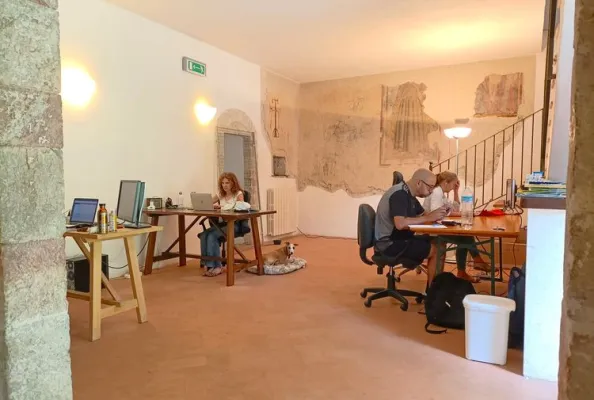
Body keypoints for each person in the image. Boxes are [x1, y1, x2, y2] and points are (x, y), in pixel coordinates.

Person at [375, 168, 447, 288]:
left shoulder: (410, 196)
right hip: (388, 243)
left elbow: (425, 215)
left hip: (399, 238)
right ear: (418, 183)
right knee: (436, 250)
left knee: (439, 242)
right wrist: (428, 217)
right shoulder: (399, 194)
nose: (431, 192)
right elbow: (400, 224)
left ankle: (435, 288)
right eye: (430, 187)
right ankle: (432, 292)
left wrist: (440, 213)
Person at [423, 171, 490, 282]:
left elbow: (455, 208)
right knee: (465, 236)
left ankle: (470, 266)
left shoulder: (441, 194)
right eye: (453, 184)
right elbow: (437, 214)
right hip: (432, 230)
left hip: (438, 227)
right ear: (446, 182)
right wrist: (462, 214)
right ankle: (473, 264)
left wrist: (456, 191)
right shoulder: (436, 192)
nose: (454, 186)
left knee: (465, 235)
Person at [199, 172, 245, 277]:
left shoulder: (238, 194)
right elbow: (207, 202)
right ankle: (209, 265)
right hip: (221, 224)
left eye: (227, 183)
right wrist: (210, 206)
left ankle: (217, 266)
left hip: (234, 224)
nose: (225, 185)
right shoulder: (221, 194)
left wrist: (221, 207)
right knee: (204, 235)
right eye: (223, 183)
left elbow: (241, 207)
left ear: (233, 183)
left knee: (212, 236)